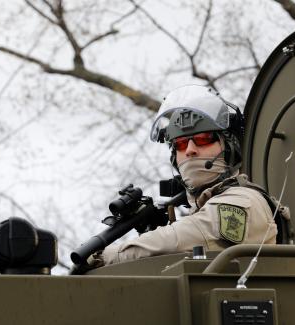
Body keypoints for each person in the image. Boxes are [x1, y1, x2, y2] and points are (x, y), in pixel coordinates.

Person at [98, 85, 278, 265]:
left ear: (229, 148)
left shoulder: (245, 200)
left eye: (203, 139)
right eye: (181, 144)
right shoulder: (198, 210)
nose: (190, 150)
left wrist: (109, 255)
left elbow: (187, 235)